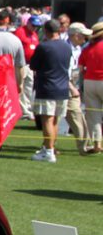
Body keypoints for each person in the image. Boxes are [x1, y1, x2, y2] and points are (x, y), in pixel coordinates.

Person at [29, 19, 72, 162]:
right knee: (55, 121)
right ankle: (49, 148)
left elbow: (33, 65)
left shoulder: (43, 47)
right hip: (62, 87)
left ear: (46, 31)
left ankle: (48, 151)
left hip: (47, 87)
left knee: (47, 120)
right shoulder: (66, 46)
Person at [65, 24, 91, 155]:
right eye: (84, 35)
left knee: (77, 116)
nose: (86, 38)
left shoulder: (78, 48)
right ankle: (83, 147)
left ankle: (48, 146)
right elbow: (63, 71)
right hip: (67, 87)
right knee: (76, 117)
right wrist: (72, 88)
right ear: (76, 35)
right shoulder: (66, 49)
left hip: (73, 86)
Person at [79, 21, 103, 155]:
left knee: (93, 115)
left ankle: (97, 144)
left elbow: (81, 68)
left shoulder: (87, 48)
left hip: (89, 81)